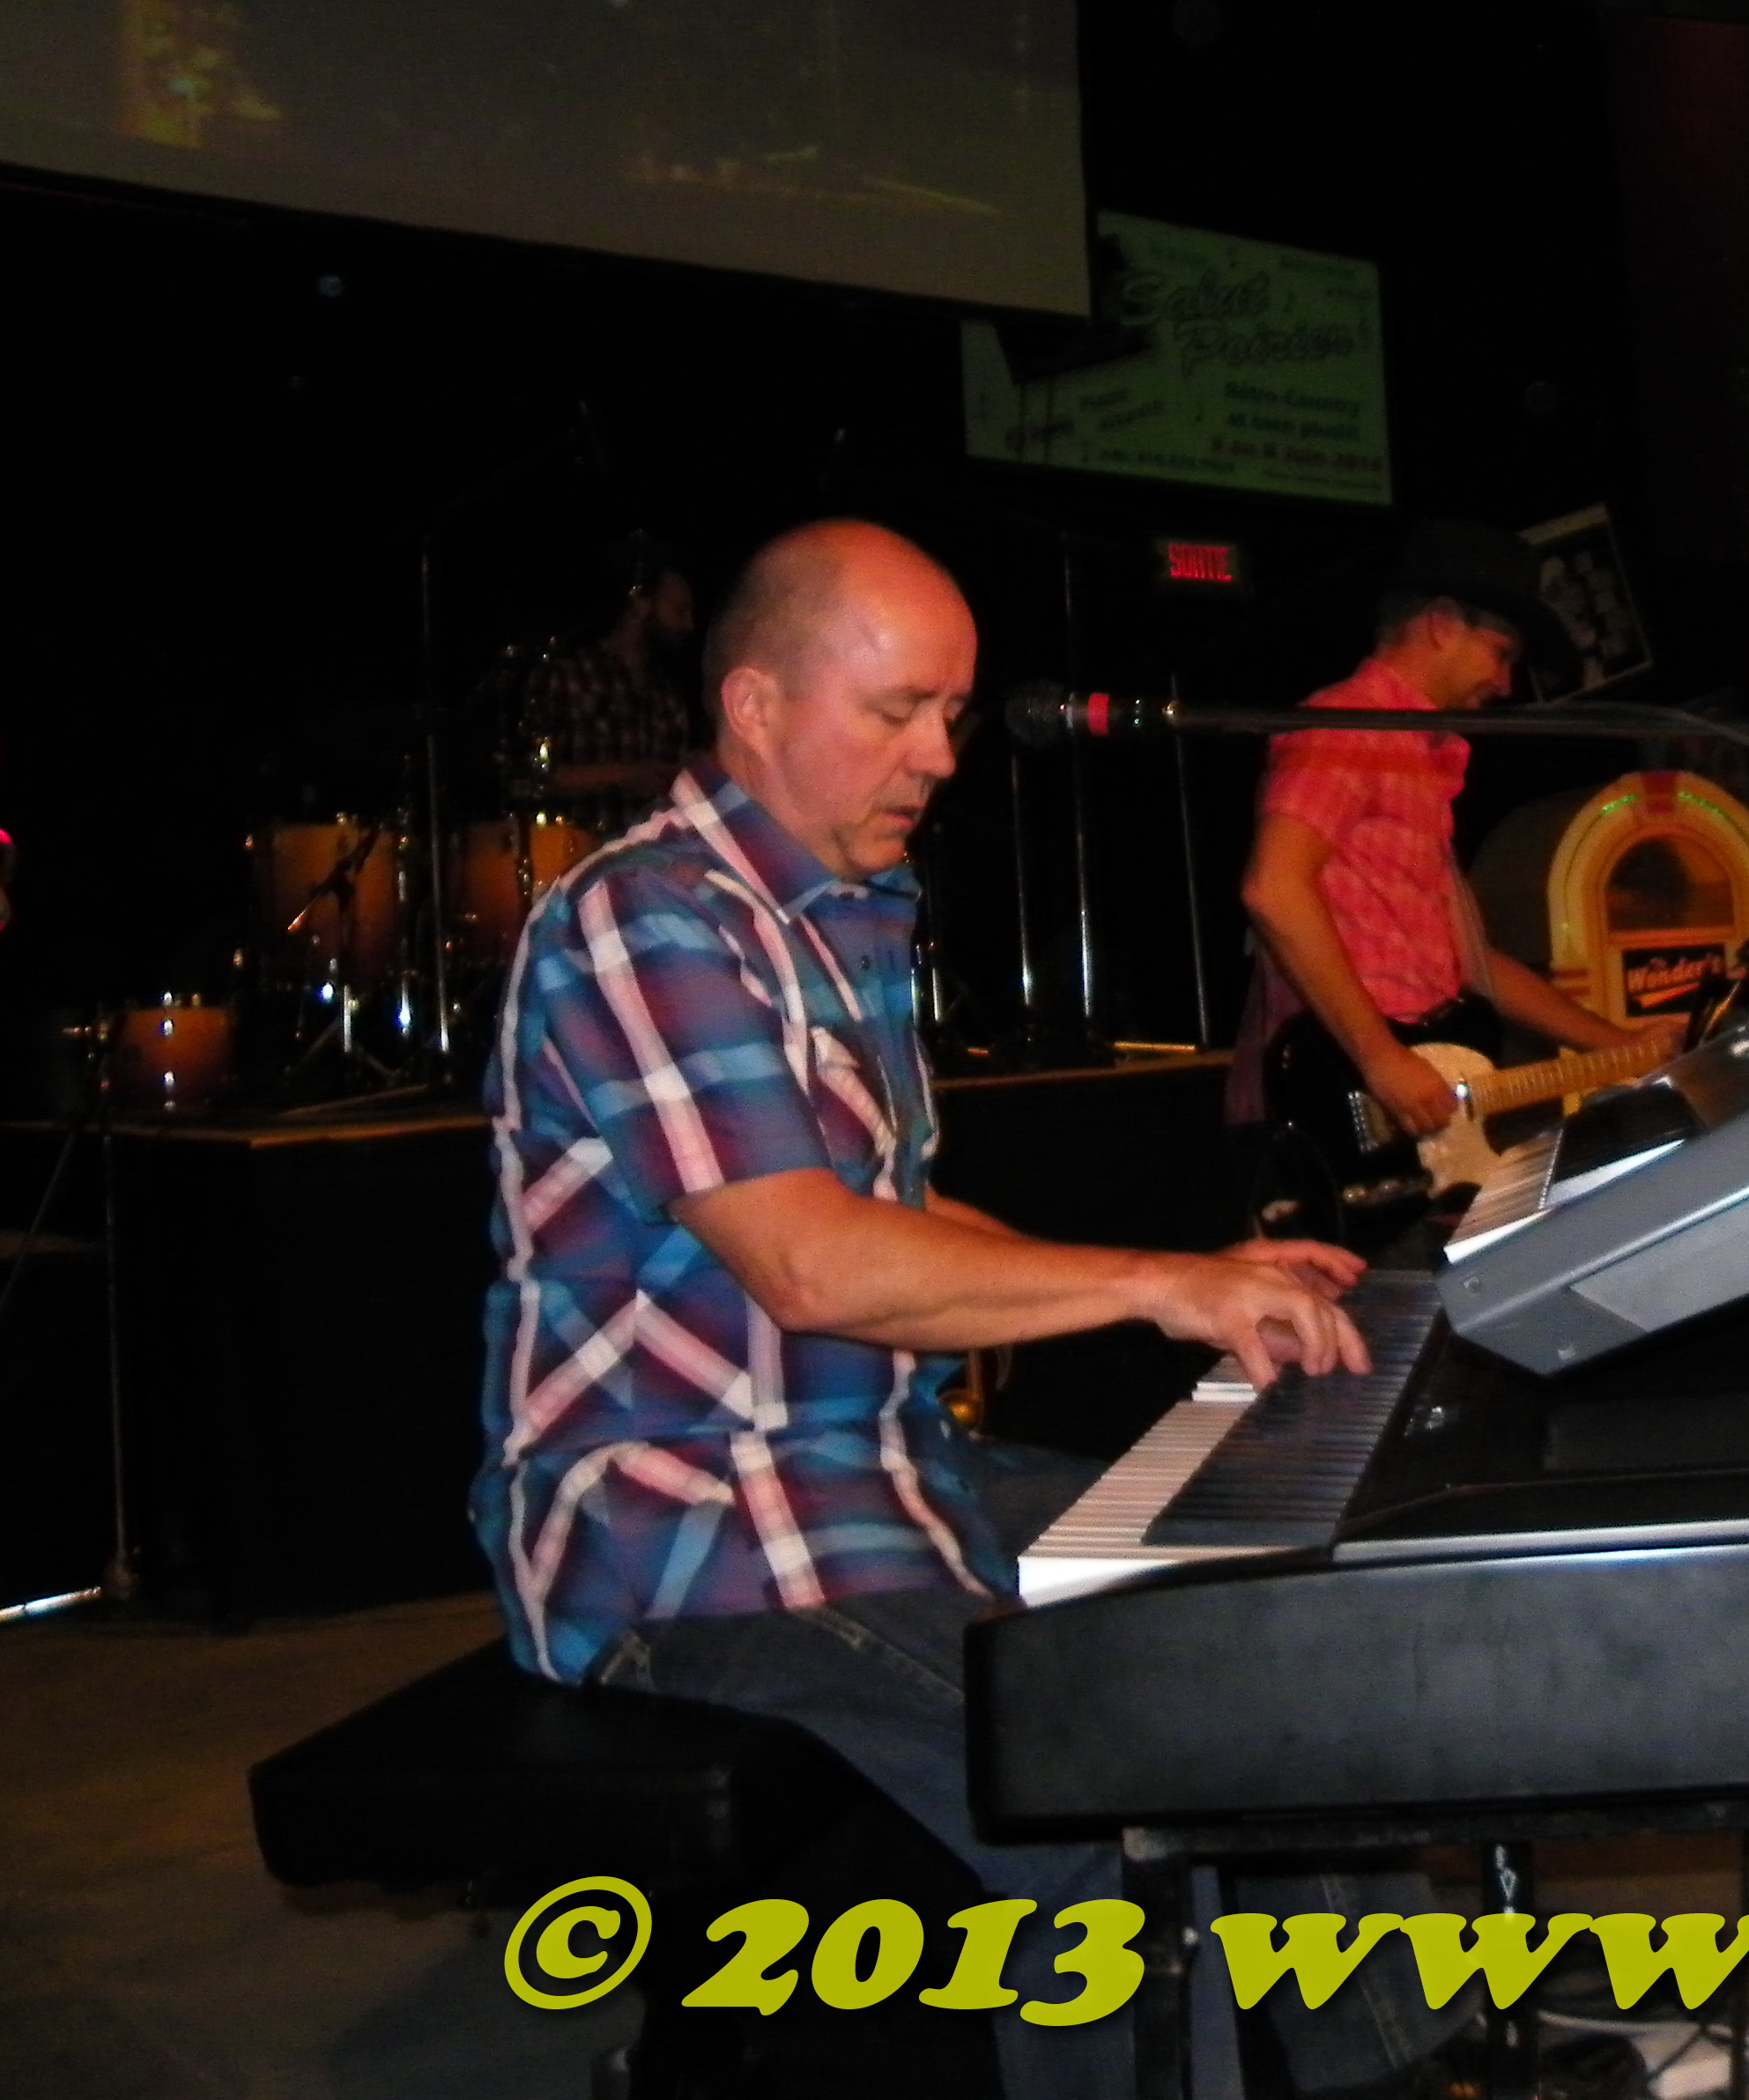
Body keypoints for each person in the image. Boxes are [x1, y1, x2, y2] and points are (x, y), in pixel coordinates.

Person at [475, 518, 1453, 2099]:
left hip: (876, 1473)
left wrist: (1191, 1286)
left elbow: (890, 1213)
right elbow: (813, 1262)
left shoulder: (836, 913)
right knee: (1092, 1785)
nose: (939, 753)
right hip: (689, 1534)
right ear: (754, 705)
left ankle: (1401, 2070)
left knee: (1264, 1628)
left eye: (950, 713)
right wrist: (1158, 1287)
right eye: (897, 711)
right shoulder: (644, 917)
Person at [1229, 516, 1655, 1230]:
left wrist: (1620, 1047)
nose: (1505, 682)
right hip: (1328, 1102)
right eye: (1500, 652)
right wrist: (1382, 1058)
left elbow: (1472, 965)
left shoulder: (1422, 761)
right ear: (1441, 624)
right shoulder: (1347, 725)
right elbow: (1272, 888)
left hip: (1394, 1100)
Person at [512, 530, 700, 817]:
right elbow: (530, 776)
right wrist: (627, 774)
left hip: (652, 843)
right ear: (640, 604)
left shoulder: (668, 696)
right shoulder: (567, 676)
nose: (688, 625)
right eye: (680, 611)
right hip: (571, 842)